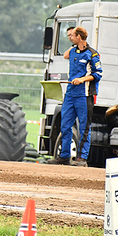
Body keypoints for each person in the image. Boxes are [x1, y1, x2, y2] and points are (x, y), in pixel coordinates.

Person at [48, 26, 102, 167]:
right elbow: (65, 55)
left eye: (72, 35)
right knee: (65, 125)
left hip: (84, 95)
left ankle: (81, 159)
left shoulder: (93, 54)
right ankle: (64, 156)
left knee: (84, 127)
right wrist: (74, 44)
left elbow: (98, 74)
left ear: (79, 36)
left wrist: (82, 79)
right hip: (70, 94)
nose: (70, 37)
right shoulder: (72, 51)